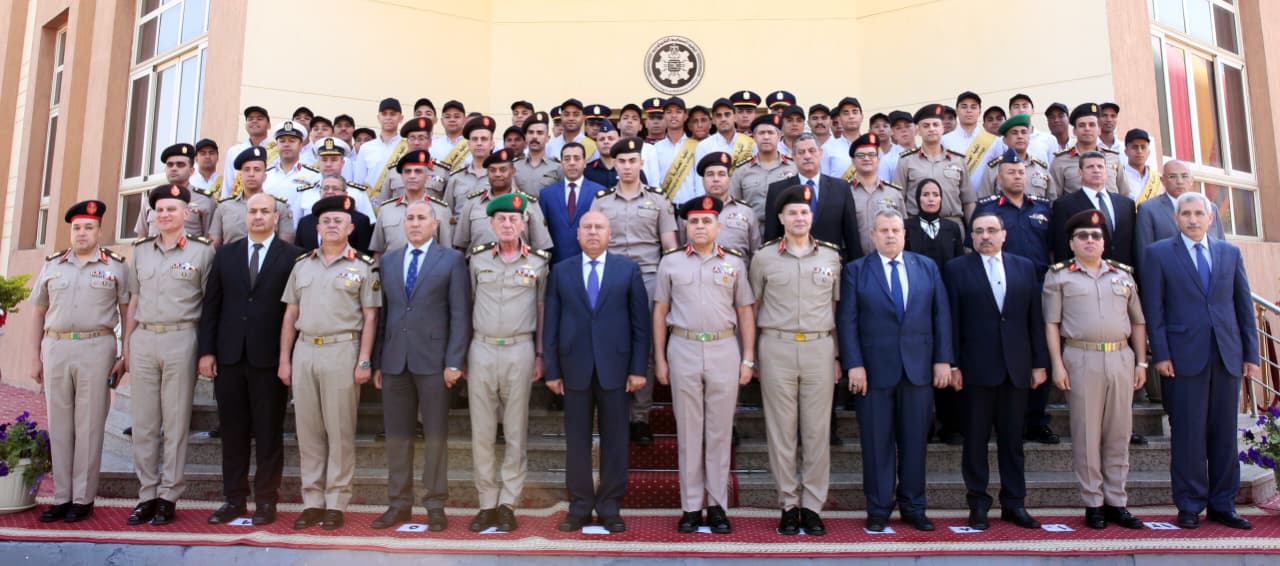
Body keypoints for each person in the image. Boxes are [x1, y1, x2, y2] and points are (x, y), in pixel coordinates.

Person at [1140, 191, 1258, 531]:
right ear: (1176, 219)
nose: (1192, 219)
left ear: (1210, 218)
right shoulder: (1159, 253)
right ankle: (1190, 504)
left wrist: (1250, 354)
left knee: (1225, 434)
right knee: (1188, 434)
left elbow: (1243, 306)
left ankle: (1223, 504)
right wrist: (1161, 354)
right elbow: (1154, 309)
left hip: (1226, 355)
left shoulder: (1229, 253)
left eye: (1198, 213)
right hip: (1181, 358)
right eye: (1186, 214)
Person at [838, 208, 953, 534]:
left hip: (918, 370)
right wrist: (854, 364)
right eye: (884, 230)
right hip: (873, 372)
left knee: (915, 441)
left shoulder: (926, 267)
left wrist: (943, 359)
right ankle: (878, 508)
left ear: (905, 234)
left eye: (895, 230)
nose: (890, 235)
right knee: (877, 443)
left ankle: (914, 506)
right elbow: (848, 320)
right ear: (872, 235)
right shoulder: (856, 270)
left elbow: (941, 315)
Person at [198, 193, 303, 527]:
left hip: (269, 358)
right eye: (253, 211)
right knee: (233, 432)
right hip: (229, 357)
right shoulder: (226, 254)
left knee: (269, 433)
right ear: (246, 216)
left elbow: (294, 311)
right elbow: (212, 305)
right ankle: (234, 499)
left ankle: (266, 500)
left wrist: (288, 358)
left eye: (265, 211)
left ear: (276, 217)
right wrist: (207, 351)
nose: (258, 216)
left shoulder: (293, 257)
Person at [653, 195, 756, 534]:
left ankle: (717, 506)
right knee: (688, 432)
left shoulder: (734, 263)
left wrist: (748, 358)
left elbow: (745, 312)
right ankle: (691, 507)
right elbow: (660, 312)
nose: (700, 226)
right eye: (694, 221)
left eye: (706, 221)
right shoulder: (670, 263)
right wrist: (660, 358)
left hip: (723, 347)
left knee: (719, 432)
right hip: (682, 346)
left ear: (718, 226)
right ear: (685, 226)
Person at [543, 211, 650, 533]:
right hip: (573, 368)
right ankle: (579, 507)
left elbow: (640, 326)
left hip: (615, 369)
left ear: (609, 234)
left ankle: (609, 507)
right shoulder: (561, 271)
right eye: (587, 227)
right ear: (577, 235)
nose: (592, 232)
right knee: (576, 442)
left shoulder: (627, 270)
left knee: (615, 442)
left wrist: (638, 369)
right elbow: (551, 324)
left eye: (598, 227)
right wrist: (552, 370)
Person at [279, 195, 382, 531]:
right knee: (308, 431)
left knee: (339, 431)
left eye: (339, 221)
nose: (332, 225)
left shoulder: (364, 267)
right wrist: (284, 359)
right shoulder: (302, 265)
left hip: (342, 350)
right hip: (305, 349)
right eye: (326, 221)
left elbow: (370, 317)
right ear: (317, 227)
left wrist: (364, 360)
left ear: (351, 228)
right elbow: (290, 314)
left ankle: (336, 501)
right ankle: (312, 501)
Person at [1042, 209, 1147, 530]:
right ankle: (1093, 503)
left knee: (1119, 432)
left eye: (1096, 236)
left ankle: (1117, 501)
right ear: (1071, 243)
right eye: (1083, 236)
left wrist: (1141, 362)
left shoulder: (1122, 275)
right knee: (1086, 434)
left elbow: (1138, 321)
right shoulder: (1059, 276)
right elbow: (1051, 324)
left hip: (1120, 357)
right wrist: (1057, 364)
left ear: (1103, 243)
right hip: (1081, 357)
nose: (1090, 240)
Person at [369, 199, 470, 532]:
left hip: (435, 362)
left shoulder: (452, 260)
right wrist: (379, 360)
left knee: (436, 436)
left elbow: (460, 314)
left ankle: (435, 503)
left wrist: (454, 361)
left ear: (435, 223)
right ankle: (398, 503)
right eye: (409, 218)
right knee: (397, 437)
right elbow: (384, 315)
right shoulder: (390, 261)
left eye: (421, 218)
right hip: (395, 361)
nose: (414, 223)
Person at [945, 212, 1047, 531]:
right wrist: (953, 364)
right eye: (978, 231)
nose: (985, 236)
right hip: (975, 370)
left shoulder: (1024, 267)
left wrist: (1039, 363)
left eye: (991, 230)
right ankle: (978, 504)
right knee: (975, 441)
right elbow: (951, 321)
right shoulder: (956, 269)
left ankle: (1014, 503)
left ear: (1004, 234)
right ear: (971, 237)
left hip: (1016, 368)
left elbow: (1034, 318)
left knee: (1012, 442)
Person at [751, 185, 843, 536]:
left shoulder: (830, 257)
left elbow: (834, 308)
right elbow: (754, 307)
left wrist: (836, 356)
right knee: (782, 431)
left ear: (812, 217)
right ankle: (789, 505)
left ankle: (813, 506)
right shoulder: (764, 258)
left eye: (804, 212)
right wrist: (752, 355)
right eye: (792, 213)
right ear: (781, 218)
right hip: (777, 346)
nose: (799, 218)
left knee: (817, 432)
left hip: (819, 347)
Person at [122, 184, 216, 527]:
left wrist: (206, 350)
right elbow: (133, 300)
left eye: (171, 209)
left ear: (186, 213)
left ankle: (168, 495)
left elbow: (209, 305)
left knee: (175, 422)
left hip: (182, 337)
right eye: (159, 210)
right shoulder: (141, 251)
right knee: (144, 423)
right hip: (144, 338)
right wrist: (126, 346)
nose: (164, 215)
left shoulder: (202, 252)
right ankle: (147, 494)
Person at [31, 200, 129, 524]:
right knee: (59, 423)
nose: (82, 232)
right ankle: (61, 497)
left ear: (99, 230)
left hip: (96, 347)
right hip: (56, 346)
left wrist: (124, 355)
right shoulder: (53, 264)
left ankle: (83, 499)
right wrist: (35, 356)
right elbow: (39, 312)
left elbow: (127, 313)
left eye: (89, 227)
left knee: (89, 424)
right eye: (77, 228)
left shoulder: (116, 266)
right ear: (70, 231)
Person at [464, 193, 549, 533]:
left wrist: (540, 354)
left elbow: (542, 311)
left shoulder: (539, 263)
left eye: (514, 218)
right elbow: (468, 305)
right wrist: (463, 354)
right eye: (501, 219)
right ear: (491, 223)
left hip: (520, 349)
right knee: (482, 431)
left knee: (515, 430)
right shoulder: (477, 260)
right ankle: (486, 502)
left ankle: (508, 502)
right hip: (482, 348)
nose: (508, 224)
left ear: (524, 222)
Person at [589, 138, 678, 444]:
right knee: (611, 345)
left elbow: (670, 246)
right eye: (622, 161)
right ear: (614, 165)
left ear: (641, 163)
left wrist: (672, 284)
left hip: (648, 278)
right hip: (610, 278)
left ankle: (640, 417)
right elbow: (593, 241)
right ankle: (615, 414)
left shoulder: (658, 200)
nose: (627, 166)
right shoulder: (601, 201)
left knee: (647, 347)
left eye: (632, 161)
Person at [763, 133, 862, 263]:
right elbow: (771, 236)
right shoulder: (778, 190)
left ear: (821, 153)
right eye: (801, 152)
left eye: (812, 151)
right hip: (790, 263)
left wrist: (855, 268)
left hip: (831, 263)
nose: (807, 156)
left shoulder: (840, 188)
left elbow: (851, 234)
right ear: (793, 156)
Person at [453, 148, 553, 253]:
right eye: (492, 170)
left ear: (513, 171)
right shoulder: (472, 203)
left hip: (519, 263)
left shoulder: (528, 204)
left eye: (503, 170)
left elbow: (541, 247)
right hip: (479, 263)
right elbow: (461, 246)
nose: (497, 174)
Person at [1134, 160, 1225, 274]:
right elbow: (1144, 256)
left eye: (1184, 176)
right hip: (1170, 280)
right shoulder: (1148, 209)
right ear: (1162, 180)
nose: (1179, 181)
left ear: (1192, 180)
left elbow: (1222, 248)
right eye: (1173, 177)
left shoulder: (1210, 208)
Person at [1050, 151, 1137, 266]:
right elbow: (1062, 248)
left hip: (1123, 272)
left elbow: (1133, 244)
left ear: (1106, 171)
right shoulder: (1064, 205)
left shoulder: (1126, 204)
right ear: (1080, 172)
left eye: (1100, 166)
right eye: (1090, 167)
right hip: (1084, 272)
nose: (1096, 170)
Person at [895, 105, 974, 228]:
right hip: (917, 226)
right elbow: (898, 199)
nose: (931, 129)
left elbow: (968, 200)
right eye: (926, 126)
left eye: (936, 125)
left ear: (942, 128)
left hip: (952, 225)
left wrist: (972, 231)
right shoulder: (906, 161)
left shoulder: (958, 160)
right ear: (918, 131)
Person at [368, 151, 452, 256]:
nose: (412, 176)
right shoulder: (386, 210)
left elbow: (447, 253)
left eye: (418, 171)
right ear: (402, 176)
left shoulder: (441, 210)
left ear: (427, 177)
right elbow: (378, 252)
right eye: (407, 171)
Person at [210, 147, 296, 247]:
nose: (251, 174)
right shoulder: (224, 207)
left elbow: (286, 247)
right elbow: (214, 246)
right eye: (247, 170)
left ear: (265, 176)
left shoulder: (279, 207)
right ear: (240, 176)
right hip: (231, 256)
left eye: (257, 170)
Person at [134, 143, 218, 238]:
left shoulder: (205, 199)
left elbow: (211, 239)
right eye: (170, 165)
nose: (174, 168)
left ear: (191, 171)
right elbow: (141, 237)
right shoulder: (152, 198)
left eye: (180, 165)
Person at [729, 114, 795, 234]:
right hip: (752, 232)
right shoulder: (741, 171)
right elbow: (734, 206)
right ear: (754, 137)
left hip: (785, 231)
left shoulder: (793, 167)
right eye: (761, 133)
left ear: (779, 136)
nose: (766, 137)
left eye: (770, 133)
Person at [540, 142, 603, 266]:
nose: (572, 163)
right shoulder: (547, 194)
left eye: (577, 158)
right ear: (561, 163)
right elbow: (542, 234)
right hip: (556, 264)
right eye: (567, 159)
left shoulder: (599, 192)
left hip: (590, 262)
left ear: (585, 162)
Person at [844, 133, 906, 256]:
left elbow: (902, 229)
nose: (866, 158)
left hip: (889, 259)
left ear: (878, 160)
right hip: (854, 259)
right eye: (861, 155)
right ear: (853, 161)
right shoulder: (844, 192)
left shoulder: (893, 193)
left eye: (871, 155)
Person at [1048, 103, 1129, 197]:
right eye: (1082, 125)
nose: (1087, 129)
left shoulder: (1113, 158)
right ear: (1074, 131)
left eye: (1092, 125)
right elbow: (1054, 198)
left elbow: (1125, 194)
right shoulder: (1061, 161)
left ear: (1099, 130)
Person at [973, 114, 1057, 200]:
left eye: (1024, 132)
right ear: (1004, 140)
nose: (1020, 136)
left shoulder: (1040, 168)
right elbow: (984, 201)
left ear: (1029, 137)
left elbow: (1052, 201)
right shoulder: (993, 169)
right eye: (1014, 133)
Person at [690, 152, 759, 257]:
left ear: (729, 179)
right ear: (703, 180)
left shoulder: (746, 212)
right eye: (710, 174)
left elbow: (756, 253)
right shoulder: (691, 212)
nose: (716, 179)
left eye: (721, 174)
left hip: (738, 267)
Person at [295, 174, 374, 255]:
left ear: (345, 193)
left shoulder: (360, 221)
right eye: (326, 188)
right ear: (320, 192)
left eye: (335, 188)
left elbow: (363, 252)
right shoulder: (305, 222)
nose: (330, 192)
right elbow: (299, 254)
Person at [378, 116, 450, 202]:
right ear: (407, 142)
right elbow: (384, 204)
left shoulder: (442, 172)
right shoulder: (394, 171)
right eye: (412, 138)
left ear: (430, 142)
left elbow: (448, 205)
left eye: (421, 138)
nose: (416, 143)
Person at [650, 96, 702, 204]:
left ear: (685, 116)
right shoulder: (655, 148)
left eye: (678, 112)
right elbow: (654, 182)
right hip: (664, 207)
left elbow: (700, 182)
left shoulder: (697, 147)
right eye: (669, 112)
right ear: (664, 116)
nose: (673, 116)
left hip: (689, 207)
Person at [444, 115, 497, 212]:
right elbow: (446, 213)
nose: (479, 143)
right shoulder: (456, 178)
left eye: (484, 139)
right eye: (475, 139)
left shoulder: (500, 176)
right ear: (468, 145)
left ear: (492, 144)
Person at [222, 105, 276, 198]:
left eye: (259, 118)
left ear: (269, 125)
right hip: (240, 202)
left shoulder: (277, 150)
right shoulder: (234, 151)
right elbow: (228, 183)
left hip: (268, 201)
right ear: (246, 125)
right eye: (250, 119)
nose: (254, 121)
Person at [357, 98, 406, 188]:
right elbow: (359, 181)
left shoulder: (407, 146)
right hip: (370, 196)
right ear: (378, 117)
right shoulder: (366, 148)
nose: (388, 117)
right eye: (384, 114)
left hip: (398, 195)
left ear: (401, 118)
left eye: (393, 114)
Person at [513, 112, 562, 195]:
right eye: (531, 132)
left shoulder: (558, 167)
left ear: (547, 138)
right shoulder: (514, 166)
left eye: (540, 133)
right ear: (525, 137)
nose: (535, 136)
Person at [820, 97, 866, 180]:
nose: (851, 116)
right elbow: (823, 182)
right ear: (840, 119)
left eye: (855, 112)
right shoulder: (827, 148)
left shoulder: (871, 146)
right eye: (846, 113)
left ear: (862, 117)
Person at [1121, 128, 1158, 202]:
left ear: (1148, 152)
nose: (1139, 151)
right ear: (1126, 151)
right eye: (1135, 147)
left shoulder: (1157, 178)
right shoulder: (1119, 176)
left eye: (1143, 147)